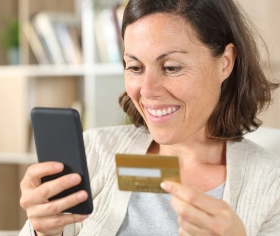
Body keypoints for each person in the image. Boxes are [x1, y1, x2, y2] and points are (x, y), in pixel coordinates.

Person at [19, 0, 280, 235]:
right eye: (135, 67)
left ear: (225, 62)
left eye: (171, 68)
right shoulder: (93, 153)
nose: (147, 90)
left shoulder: (271, 186)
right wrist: (43, 233)